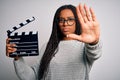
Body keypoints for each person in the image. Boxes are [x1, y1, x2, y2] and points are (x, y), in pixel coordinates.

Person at [6, 3, 102, 80]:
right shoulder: (48, 46)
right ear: (57, 23)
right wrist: (18, 59)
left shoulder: (84, 47)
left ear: (77, 21)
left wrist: (93, 42)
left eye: (70, 19)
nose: (65, 24)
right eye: (61, 20)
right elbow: (32, 77)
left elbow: (95, 53)